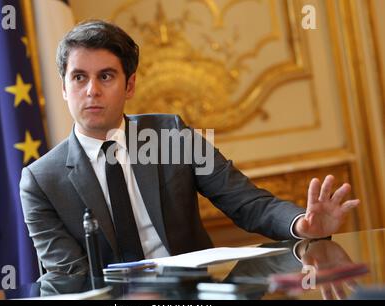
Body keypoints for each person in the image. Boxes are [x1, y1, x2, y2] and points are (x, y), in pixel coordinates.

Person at [19, 20, 360, 275]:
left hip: (194, 296)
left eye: (105, 76)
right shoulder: (40, 181)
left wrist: (303, 225)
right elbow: (69, 277)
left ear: (130, 85)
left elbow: (248, 203)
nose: (91, 90)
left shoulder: (170, 135)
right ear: (64, 87)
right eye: (79, 77)